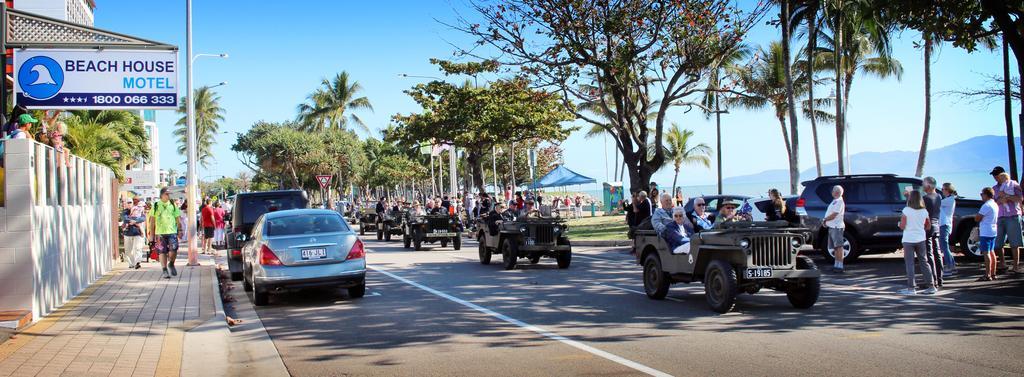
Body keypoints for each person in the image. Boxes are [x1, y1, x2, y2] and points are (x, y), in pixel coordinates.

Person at [899, 190, 935, 295]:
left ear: (910, 199)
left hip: (908, 239)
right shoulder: (924, 211)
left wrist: (899, 224)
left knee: (910, 264)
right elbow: (928, 226)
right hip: (921, 239)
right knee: (924, 262)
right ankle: (931, 286)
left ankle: (911, 288)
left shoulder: (906, 210)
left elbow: (902, 226)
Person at [991, 167, 1023, 273]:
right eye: (994, 175)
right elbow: (993, 202)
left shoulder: (1014, 185)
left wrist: (1008, 197)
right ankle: (1003, 263)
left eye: (997, 175)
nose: (995, 177)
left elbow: (1020, 199)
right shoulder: (994, 188)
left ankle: (1016, 265)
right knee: (998, 242)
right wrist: (1000, 200)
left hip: (1013, 215)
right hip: (999, 216)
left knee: (1014, 242)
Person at [149, 189, 184, 279]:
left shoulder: (173, 205)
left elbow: (178, 218)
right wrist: (151, 235)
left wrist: (180, 230)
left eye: (169, 194)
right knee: (162, 252)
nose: (168, 196)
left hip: (172, 232)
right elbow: (152, 222)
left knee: (174, 250)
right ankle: (164, 270)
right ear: (161, 195)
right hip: (159, 233)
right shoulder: (156, 205)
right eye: (166, 194)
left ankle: (171, 264)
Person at [921, 177, 943, 287]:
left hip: (927, 226)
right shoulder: (939, 196)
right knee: (937, 252)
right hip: (936, 225)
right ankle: (939, 279)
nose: (922, 186)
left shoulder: (925, 198)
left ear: (928, 186)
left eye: (924, 185)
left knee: (929, 253)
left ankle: (932, 279)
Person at [976, 187, 999, 281]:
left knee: (986, 253)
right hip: (993, 229)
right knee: (992, 252)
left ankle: (988, 274)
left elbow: (978, 218)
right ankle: (993, 273)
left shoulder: (986, 205)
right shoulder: (994, 204)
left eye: (982, 194)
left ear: (986, 194)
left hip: (986, 231)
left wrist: (976, 217)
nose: (981, 196)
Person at [823, 185, 846, 274]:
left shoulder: (839, 201)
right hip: (832, 227)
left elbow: (834, 214)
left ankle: (840, 266)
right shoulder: (835, 201)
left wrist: (825, 220)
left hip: (837, 227)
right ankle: (836, 265)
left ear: (836, 192)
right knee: (836, 248)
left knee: (839, 247)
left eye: (833, 191)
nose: (832, 192)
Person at [122, 198, 147, 270]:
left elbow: (142, 218)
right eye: (128, 202)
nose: (129, 204)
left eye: (130, 202)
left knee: (137, 248)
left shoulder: (138, 210)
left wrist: (134, 222)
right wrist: (134, 221)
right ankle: (132, 263)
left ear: (133, 203)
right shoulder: (125, 211)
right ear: (126, 204)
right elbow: (125, 218)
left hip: (137, 233)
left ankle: (137, 262)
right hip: (127, 233)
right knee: (128, 250)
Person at [939, 183, 958, 275]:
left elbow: (936, 203)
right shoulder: (949, 199)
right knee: (944, 246)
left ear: (947, 190)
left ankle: (949, 266)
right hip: (945, 224)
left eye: (943, 189)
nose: (942, 191)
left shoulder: (949, 200)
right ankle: (952, 265)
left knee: (944, 246)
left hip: (945, 224)